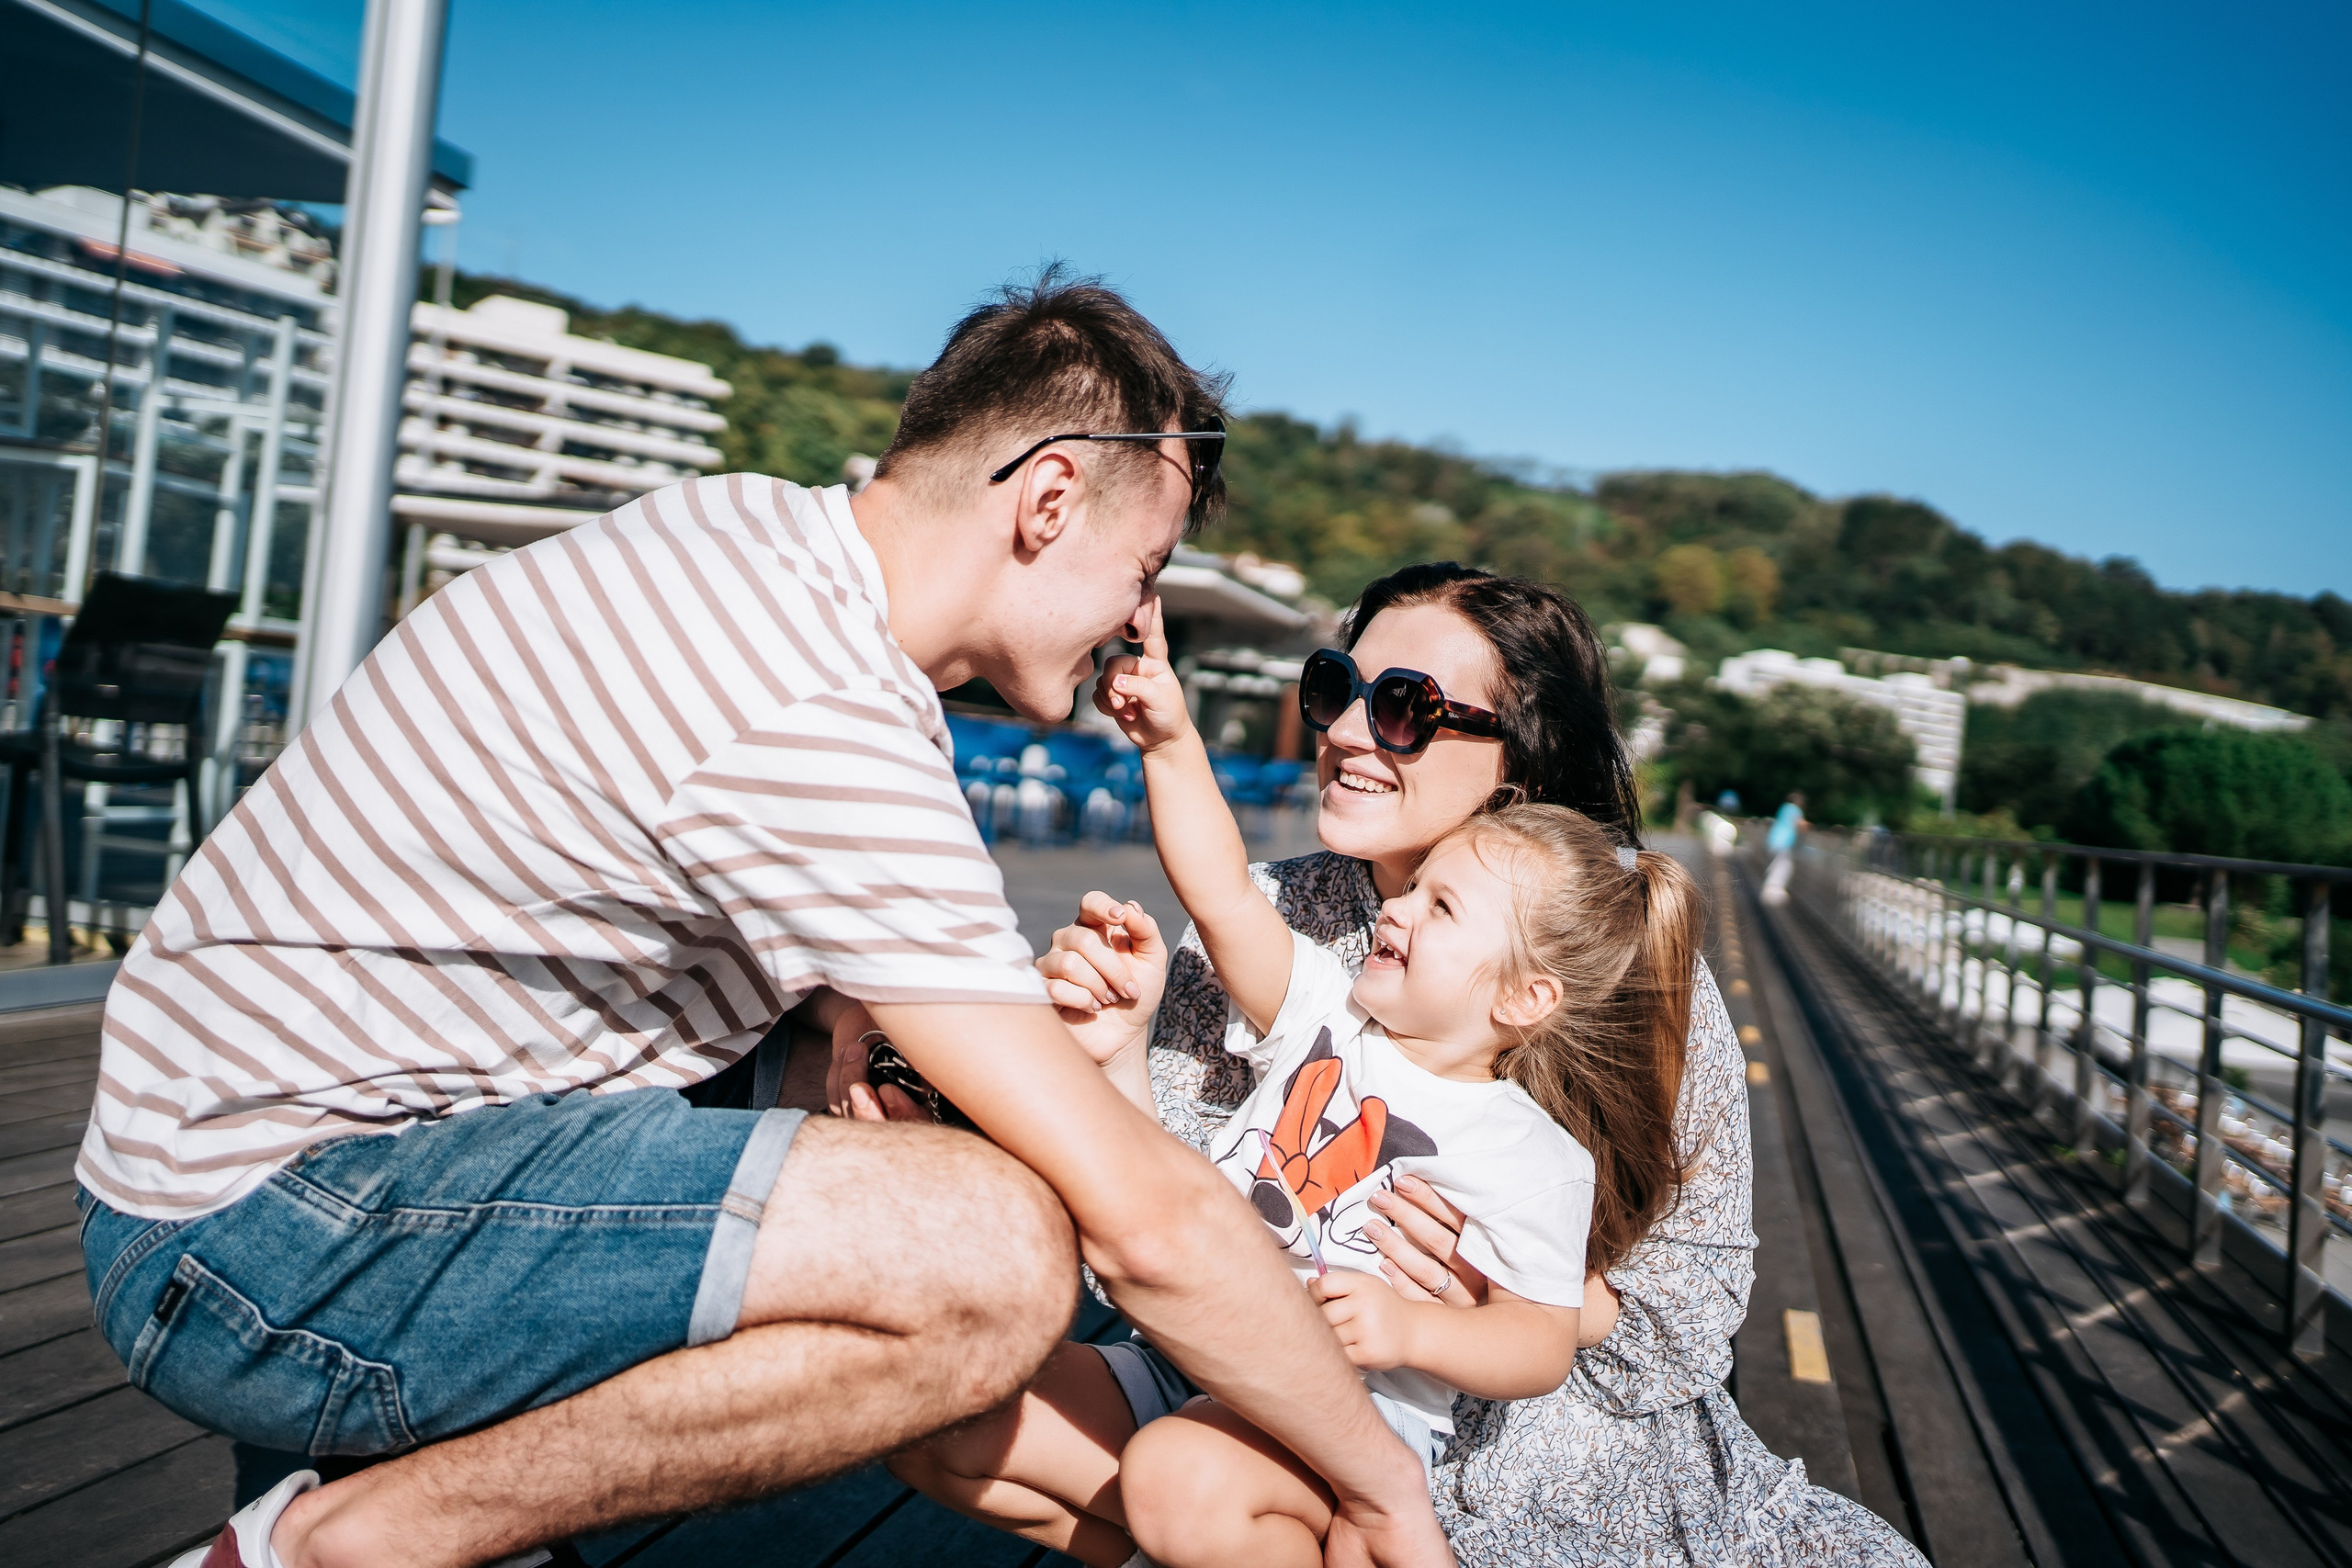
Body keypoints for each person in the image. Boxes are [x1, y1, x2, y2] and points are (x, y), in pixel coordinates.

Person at [77, 274, 1451, 1568]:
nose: (1138, 619)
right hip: (250, 1229)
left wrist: (851, 1017)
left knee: (915, 1098)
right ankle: (351, 1540)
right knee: (989, 1251)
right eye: (1141, 564)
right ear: (1044, 501)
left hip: (271, 1139)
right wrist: (1389, 1490)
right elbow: (1145, 1217)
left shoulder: (752, 538)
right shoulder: (815, 702)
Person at [1031, 564, 1926, 1564]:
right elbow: (1213, 906)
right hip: (1238, 1363)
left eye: (1406, 707)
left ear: (1521, 770)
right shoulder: (1324, 976)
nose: (1349, 731)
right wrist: (1168, 740)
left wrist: (1468, 1293)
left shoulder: (1607, 974)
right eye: (1335, 688)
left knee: (1203, 1490)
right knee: (998, 1421)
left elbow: (1664, 1302)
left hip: (1512, 1432)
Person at [892, 603, 1703, 1566]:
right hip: (1189, 1358)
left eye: (1441, 908)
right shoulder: (1327, 1011)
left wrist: (1412, 1330)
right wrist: (1168, 738)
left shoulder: (1532, 1154)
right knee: (938, 1406)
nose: (1397, 911)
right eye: (1414, 890)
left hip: (1344, 1421)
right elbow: (1222, 890)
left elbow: (1538, 1341)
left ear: (1526, 998)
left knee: (1180, 1480)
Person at [1763, 791, 1806, 905]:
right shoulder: (1795, 810)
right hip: (1784, 842)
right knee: (1784, 866)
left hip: (1773, 839)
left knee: (1776, 864)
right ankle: (1773, 890)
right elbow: (1800, 824)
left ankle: (1769, 889)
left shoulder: (1783, 808)